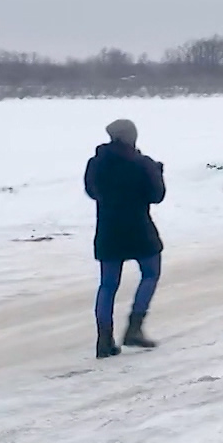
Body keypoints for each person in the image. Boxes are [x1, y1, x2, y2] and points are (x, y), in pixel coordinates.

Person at [83, 119, 166, 359]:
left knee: (108, 285)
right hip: (139, 228)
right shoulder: (142, 163)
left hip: (108, 229)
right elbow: (156, 195)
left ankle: (104, 339)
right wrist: (157, 173)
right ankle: (134, 328)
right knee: (150, 273)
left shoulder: (96, 163)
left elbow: (92, 192)